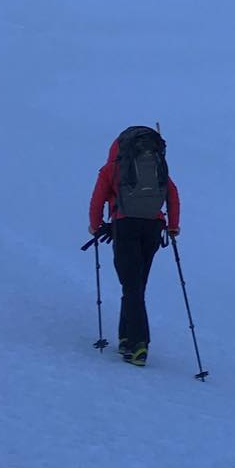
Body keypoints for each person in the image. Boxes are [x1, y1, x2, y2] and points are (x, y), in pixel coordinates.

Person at [89, 125, 181, 367]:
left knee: (131, 286)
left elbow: (97, 199)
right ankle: (126, 338)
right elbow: (172, 194)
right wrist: (173, 226)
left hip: (125, 226)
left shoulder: (112, 168)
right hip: (152, 228)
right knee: (136, 285)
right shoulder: (158, 167)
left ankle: (139, 344)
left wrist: (95, 225)